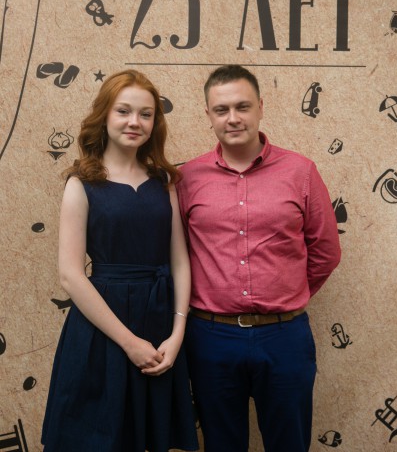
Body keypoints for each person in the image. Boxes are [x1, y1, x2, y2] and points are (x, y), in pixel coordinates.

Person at [176, 64, 341, 452]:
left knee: (289, 444)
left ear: (261, 107)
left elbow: (325, 251)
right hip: (211, 338)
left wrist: (287, 292)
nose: (233, 118)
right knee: (221, 444)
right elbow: (177, 254)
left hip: (284, 337)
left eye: (242, 106)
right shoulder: (187, 178)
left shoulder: (300, 171)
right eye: (221, 110)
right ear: (208, 114)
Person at [42, 69, 198, 452]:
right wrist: (130, 343)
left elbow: (180, 261)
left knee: (151, 436)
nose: (135, 122)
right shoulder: (81, 183)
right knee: (100, 437)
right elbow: (70, 276)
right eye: (124, 111)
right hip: (103, 329)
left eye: (146, 114)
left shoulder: (164, 182)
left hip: (160, 323)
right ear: (105, 116)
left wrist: (177, 334)